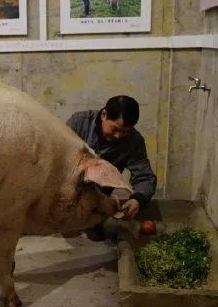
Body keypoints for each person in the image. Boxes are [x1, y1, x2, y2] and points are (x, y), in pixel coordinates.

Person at [66, 95, 157, 241]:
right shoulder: (78, 123)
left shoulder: (133, 140)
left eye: (125, 132)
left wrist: (137, 199)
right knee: (66, 228)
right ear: (103, 115)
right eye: (115, 129)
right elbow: (59, 159)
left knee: (96, 236)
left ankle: (94, 221)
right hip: (71, 186)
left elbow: (145, 176)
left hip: (100, 195)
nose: (118, 136)